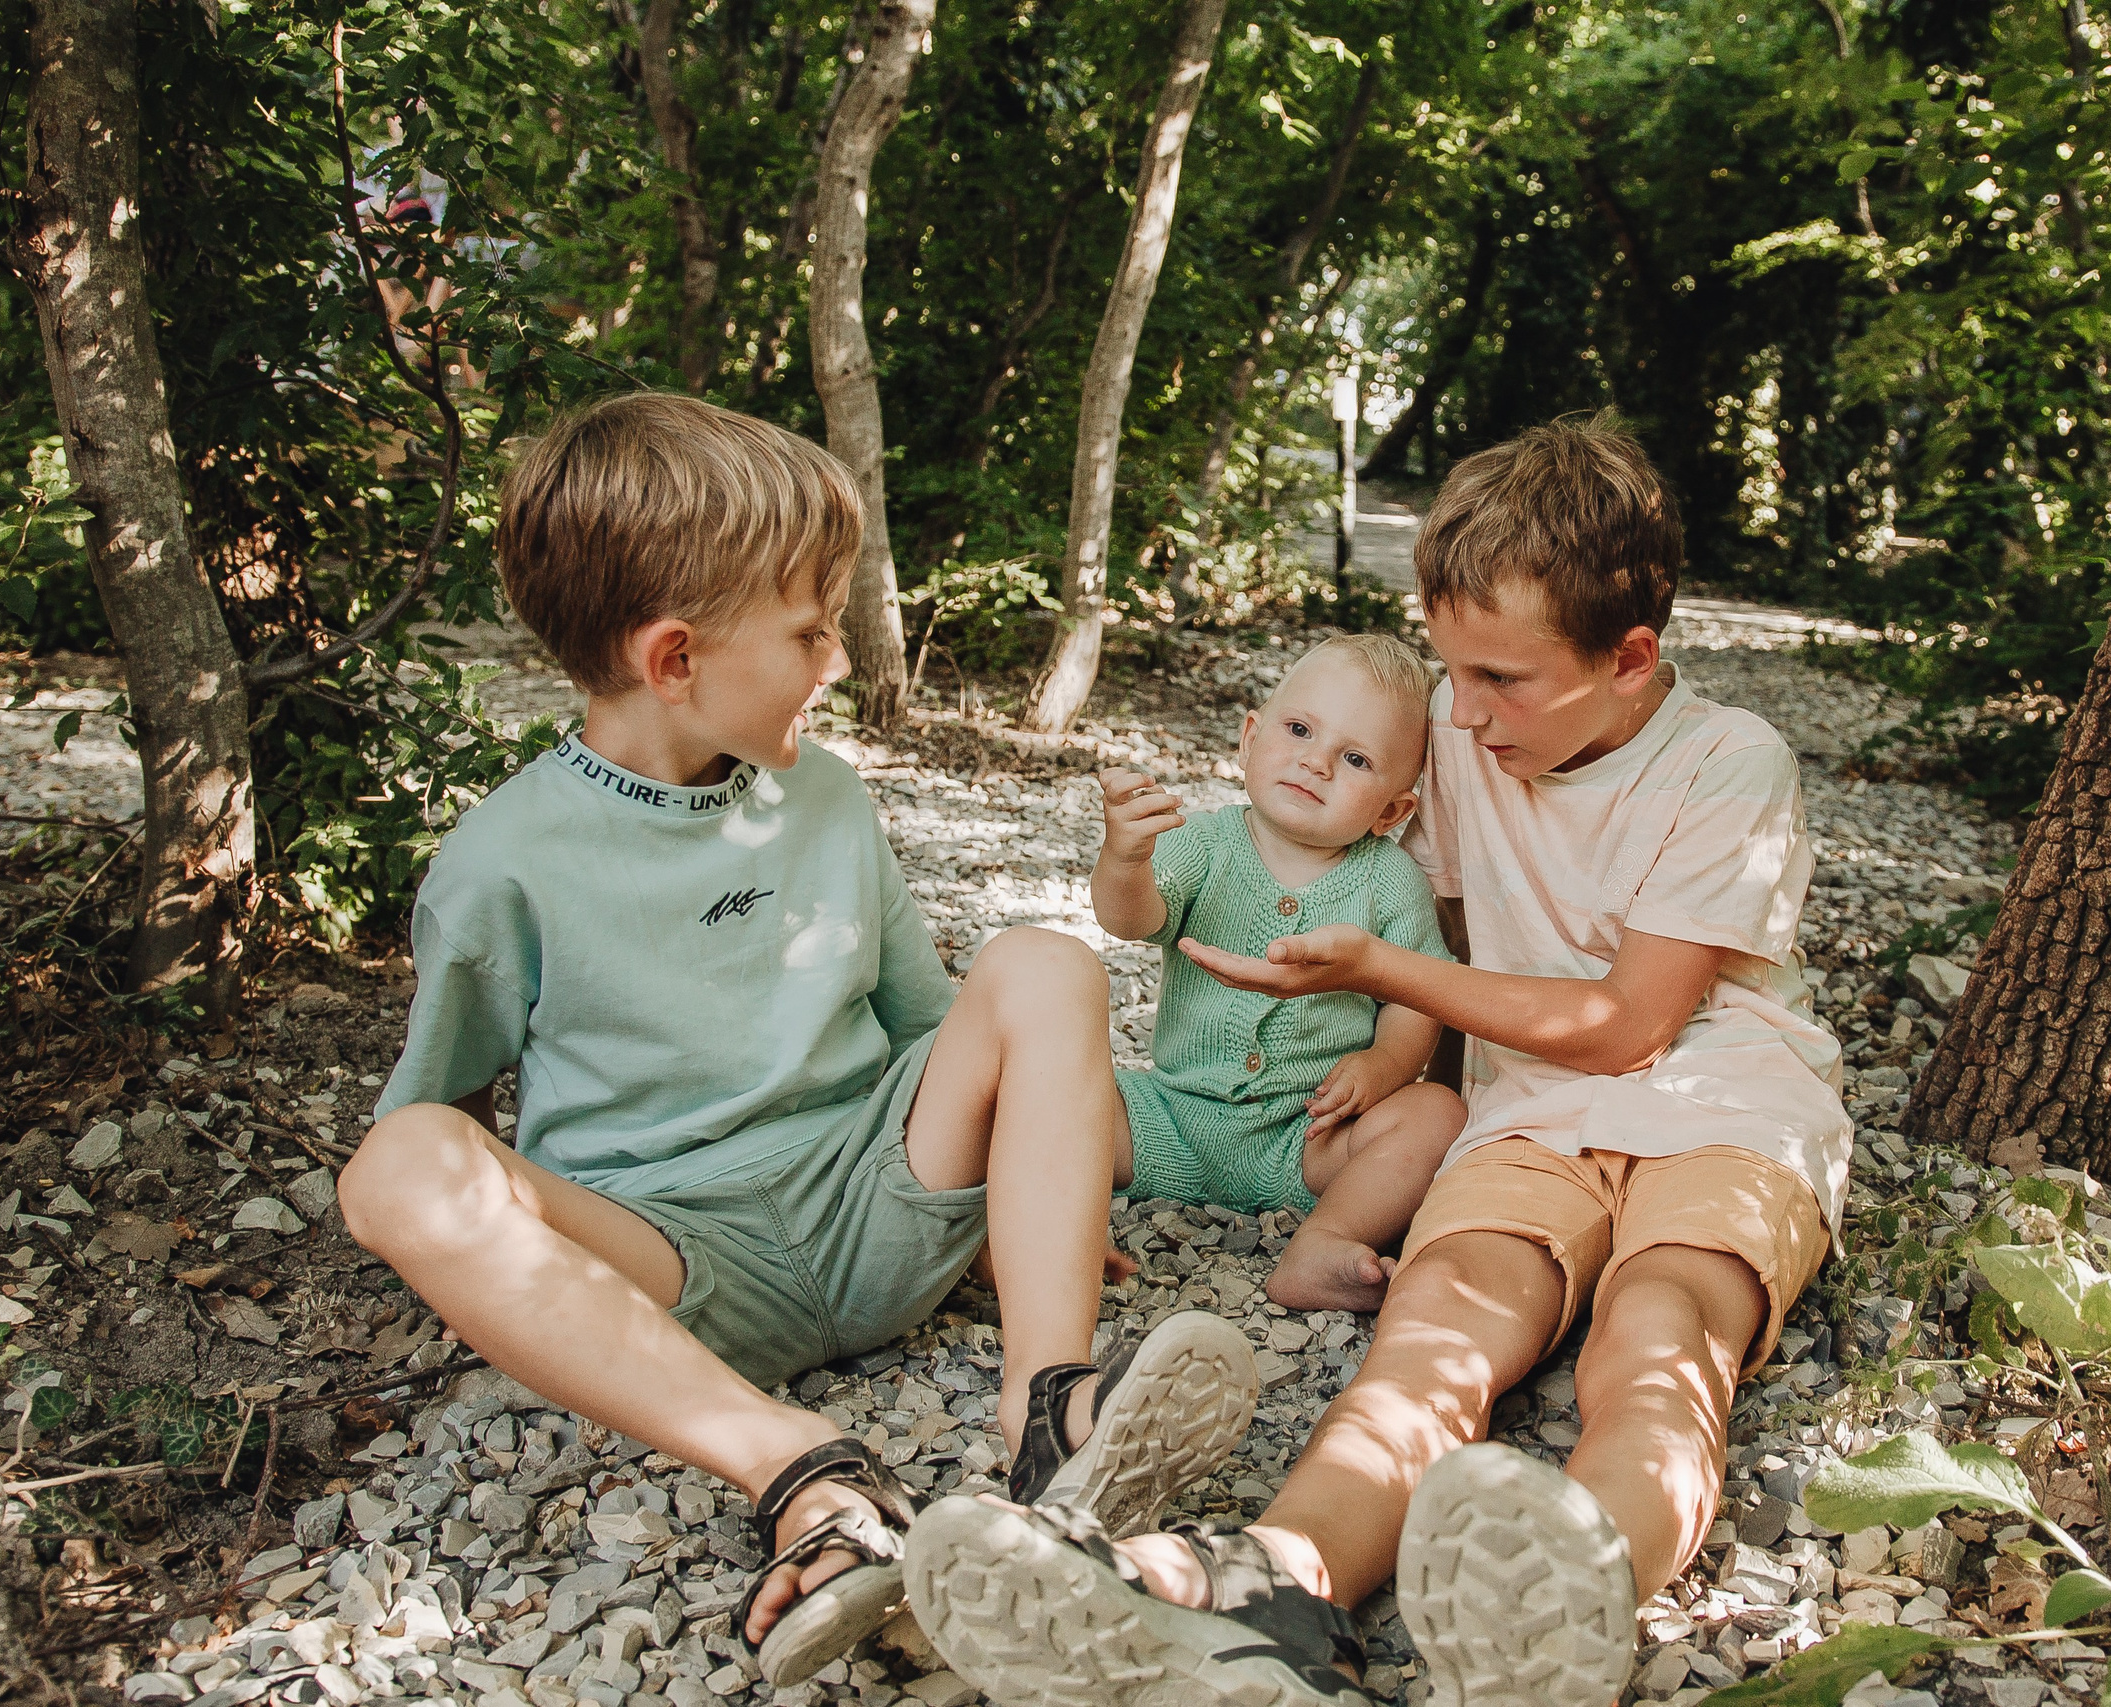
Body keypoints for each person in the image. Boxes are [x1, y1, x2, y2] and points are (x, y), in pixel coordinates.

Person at [902, 414, 1852, 1707]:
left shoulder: (1729, 760)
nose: (1461, 712)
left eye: (1501, 680)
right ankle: (1276, 1584)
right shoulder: (1464, 737)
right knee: (1439, 1316)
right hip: (1527, 1107)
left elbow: (1628, 1021)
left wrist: (1378, 978)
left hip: (1727, 1103)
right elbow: (1412, 906)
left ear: (1632, 656)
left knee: (1660, 1325)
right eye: (1450, 671)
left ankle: (1576, 1583)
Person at [340, 393, 1259, 1689]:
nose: (837, 657)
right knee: (393, 1163)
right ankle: (805, 1472)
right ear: (677, 659)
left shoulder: (825, 794)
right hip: (673, 1271)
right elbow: (438, 1132)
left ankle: (1051, 1411)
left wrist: (1035, 1192)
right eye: (811, 628)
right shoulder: (500, 864)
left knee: (1041, 958)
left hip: (881, 1202)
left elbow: (935, 1028)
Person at [1091, 635, 1467, 1313]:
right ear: (1250, 738)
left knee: (1436, 1112)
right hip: (1168, 1117)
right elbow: (1134, 918)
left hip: (1308, 1139)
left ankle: (1326, 1238)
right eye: (1298, 729)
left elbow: (1419, 990)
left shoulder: (1389, 879)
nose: (1314, 761)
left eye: (1355, 758)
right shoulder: (1203, 842)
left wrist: (1384, 1065)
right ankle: (1059, 1222)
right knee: (1059, 1087)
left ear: (1391, 810)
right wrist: (1124, 858)